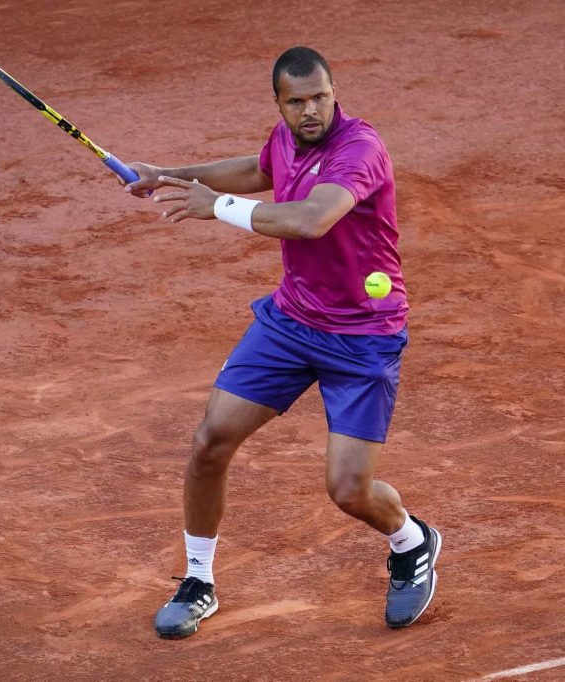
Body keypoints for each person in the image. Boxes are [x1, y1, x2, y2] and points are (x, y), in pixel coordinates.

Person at [123, 46, 441, 639]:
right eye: (297, 102)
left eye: (320, 97)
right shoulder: (286, 138)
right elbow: (258, 168)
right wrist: (169, 174)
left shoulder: (359, 148)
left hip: (362, 338)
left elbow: (309, 219)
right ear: (280, 104)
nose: (310, 110)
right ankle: (198, 580)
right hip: (290, 323)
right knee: (210, 442)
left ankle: (410, 539)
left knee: (348, 491)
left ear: (335, 92)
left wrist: (216, 207)